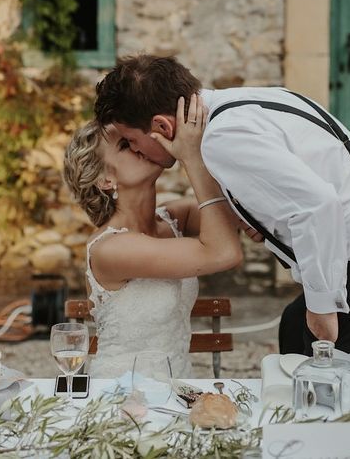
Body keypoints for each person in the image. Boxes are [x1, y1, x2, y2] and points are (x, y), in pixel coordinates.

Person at [95, 54, 350, 381]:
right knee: (293, 331)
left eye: (133, 140)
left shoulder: (223, 137)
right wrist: (255, 214)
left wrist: (322, 306)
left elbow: (318, 205)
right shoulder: (246, 102)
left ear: (162, 127)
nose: (137, 150)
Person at [63, 94, 242, 377]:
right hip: (122, 396)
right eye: (125, 144)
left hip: (179, 390)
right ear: (106, 180)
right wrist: (191, 157)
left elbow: (240, 212)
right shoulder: (111, 249)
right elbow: (223, 252)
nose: (140, 144)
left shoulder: (173, 221)